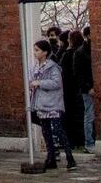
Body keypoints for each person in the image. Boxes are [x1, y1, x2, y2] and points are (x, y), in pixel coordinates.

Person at [29, 38, 75, 170]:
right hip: (41, 104)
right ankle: (51, 158)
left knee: (59, 131)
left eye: (37, 50)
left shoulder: (52, 67)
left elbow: (56, 83)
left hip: (53, 104)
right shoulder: (35, 68)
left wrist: (40, 83)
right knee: (46, 132)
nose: (35, 53)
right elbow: (32, 80)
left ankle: (69, 157)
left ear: (45, 52)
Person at [60, 28, 88, 151]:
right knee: (82, 114)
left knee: (70, 116)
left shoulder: (68, 54)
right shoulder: (83, 51)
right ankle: (81, 139)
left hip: (69, 89)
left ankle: (71, 140)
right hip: (79, 88)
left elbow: (63, 71)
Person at [78, 26, 97, 149]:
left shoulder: (89, 50)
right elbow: (79, 73)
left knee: (90, 115)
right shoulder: (81, 52)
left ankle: (91, 141)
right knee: (89, 116)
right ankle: (89, 143)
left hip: (94, 86)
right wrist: (88, 87)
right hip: (88, 88)